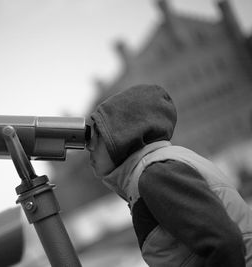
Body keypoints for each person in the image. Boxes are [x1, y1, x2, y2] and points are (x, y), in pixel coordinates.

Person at [86, 84, 252, 267]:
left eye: (97, 135)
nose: (89, 146)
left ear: (123, 134)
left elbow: (225, 243)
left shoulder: (155, 173)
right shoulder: (160, 165)